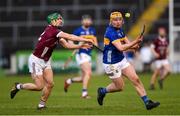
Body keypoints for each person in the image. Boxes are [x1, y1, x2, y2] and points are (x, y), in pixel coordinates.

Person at [10, 12, 93, 109]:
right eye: (58, 19)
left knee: (50, 84)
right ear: (52, 21)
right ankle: (18, 86)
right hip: (36, 60)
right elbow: (70, 36)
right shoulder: (52, 30)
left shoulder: (56, 32)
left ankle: (41, 105)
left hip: (46, 60)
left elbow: (67, 45)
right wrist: (86, 40)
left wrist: (81, 45)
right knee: (39, 86)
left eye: (60, 19)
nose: (60, 20)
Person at [97, 11, 160, 110]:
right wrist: (135, 42)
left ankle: (147, 102)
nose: (117, 22)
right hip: (111, 64)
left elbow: (127, 43)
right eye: (115, 20)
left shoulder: (120, 30)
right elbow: (121, 48)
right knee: (120, 87)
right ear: (111, 21)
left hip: (121, 60)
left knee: (136, 79)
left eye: (119, 19)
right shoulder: (110, 32)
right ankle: (102, 91)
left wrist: (134, 46)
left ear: (122, 21)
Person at [64, 15, 98, 98]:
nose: (87, 21)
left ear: (91, 21)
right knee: (88, 73)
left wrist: (91, 40)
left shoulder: (93, 30)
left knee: (84, 78)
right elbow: (70, 40)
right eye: (85, 20)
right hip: (81, 54)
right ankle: (84, 93)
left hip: (88, 55)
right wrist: (77, 45)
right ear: (82, 21)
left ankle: (69, 81)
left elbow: (96, 44)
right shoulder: (78, 31)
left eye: (88, 20)